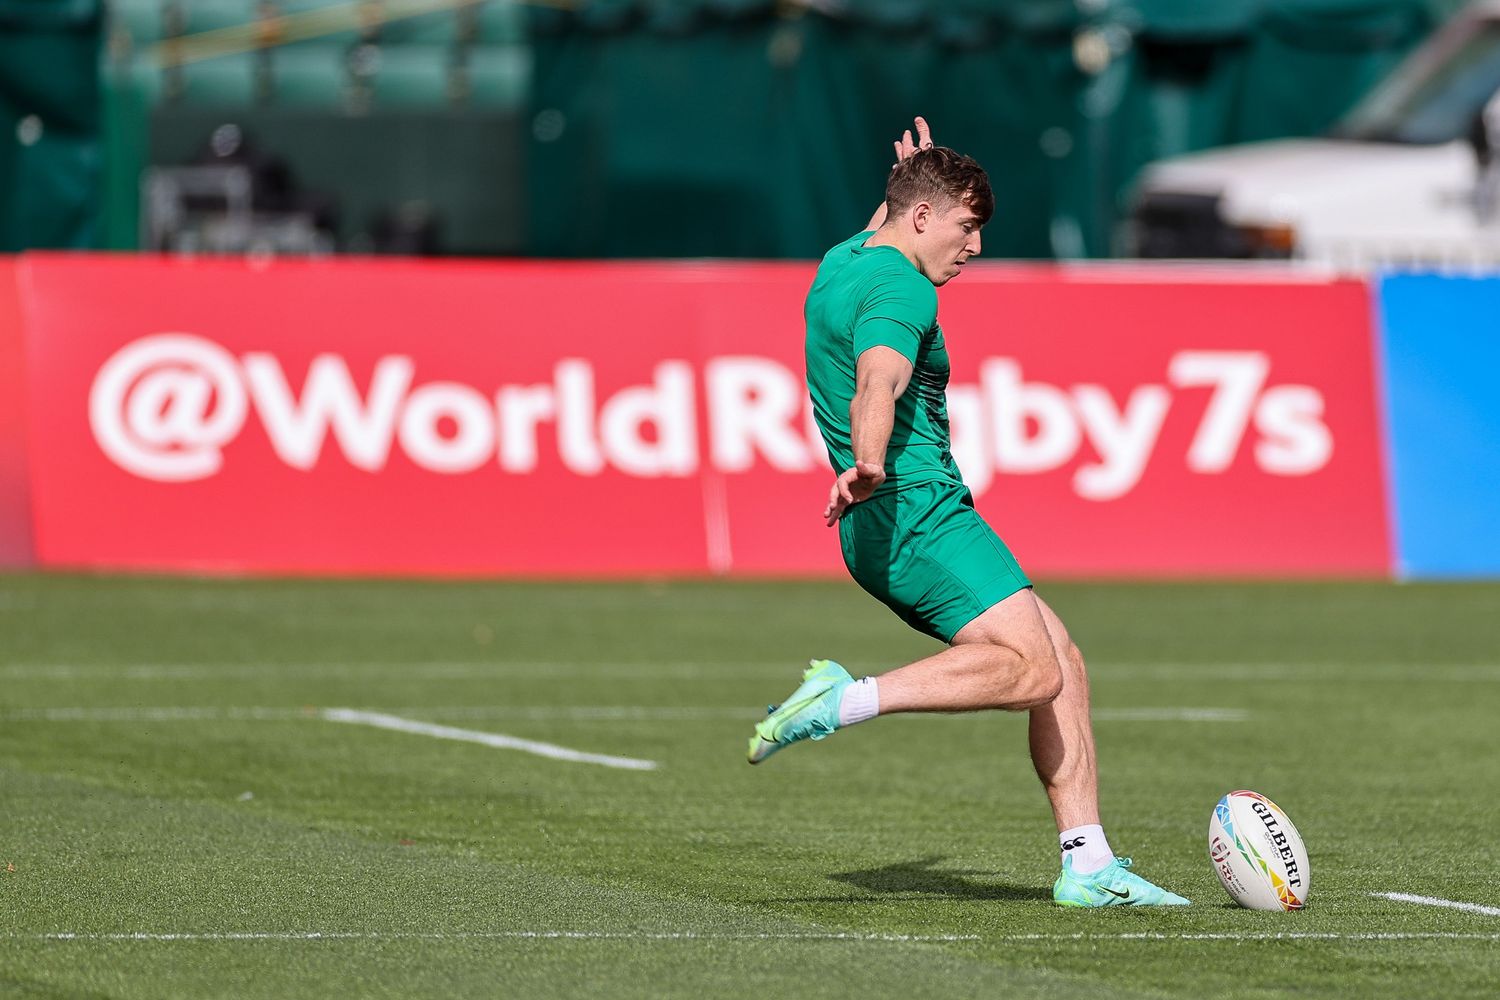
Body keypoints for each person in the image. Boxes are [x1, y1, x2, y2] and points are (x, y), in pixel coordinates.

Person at [746, 117, 1189, 908]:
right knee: (1034, 669)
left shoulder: (846, 259)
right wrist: (868, 462)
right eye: (967, 226)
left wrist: (912, 179)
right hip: (915, 514)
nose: (975, 246)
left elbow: (888, 225)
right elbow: (878, 381)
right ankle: (841, 700)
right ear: (923, 217)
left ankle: (1088, 864)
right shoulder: (902, 289)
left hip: (894, 522)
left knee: (1062, 660)